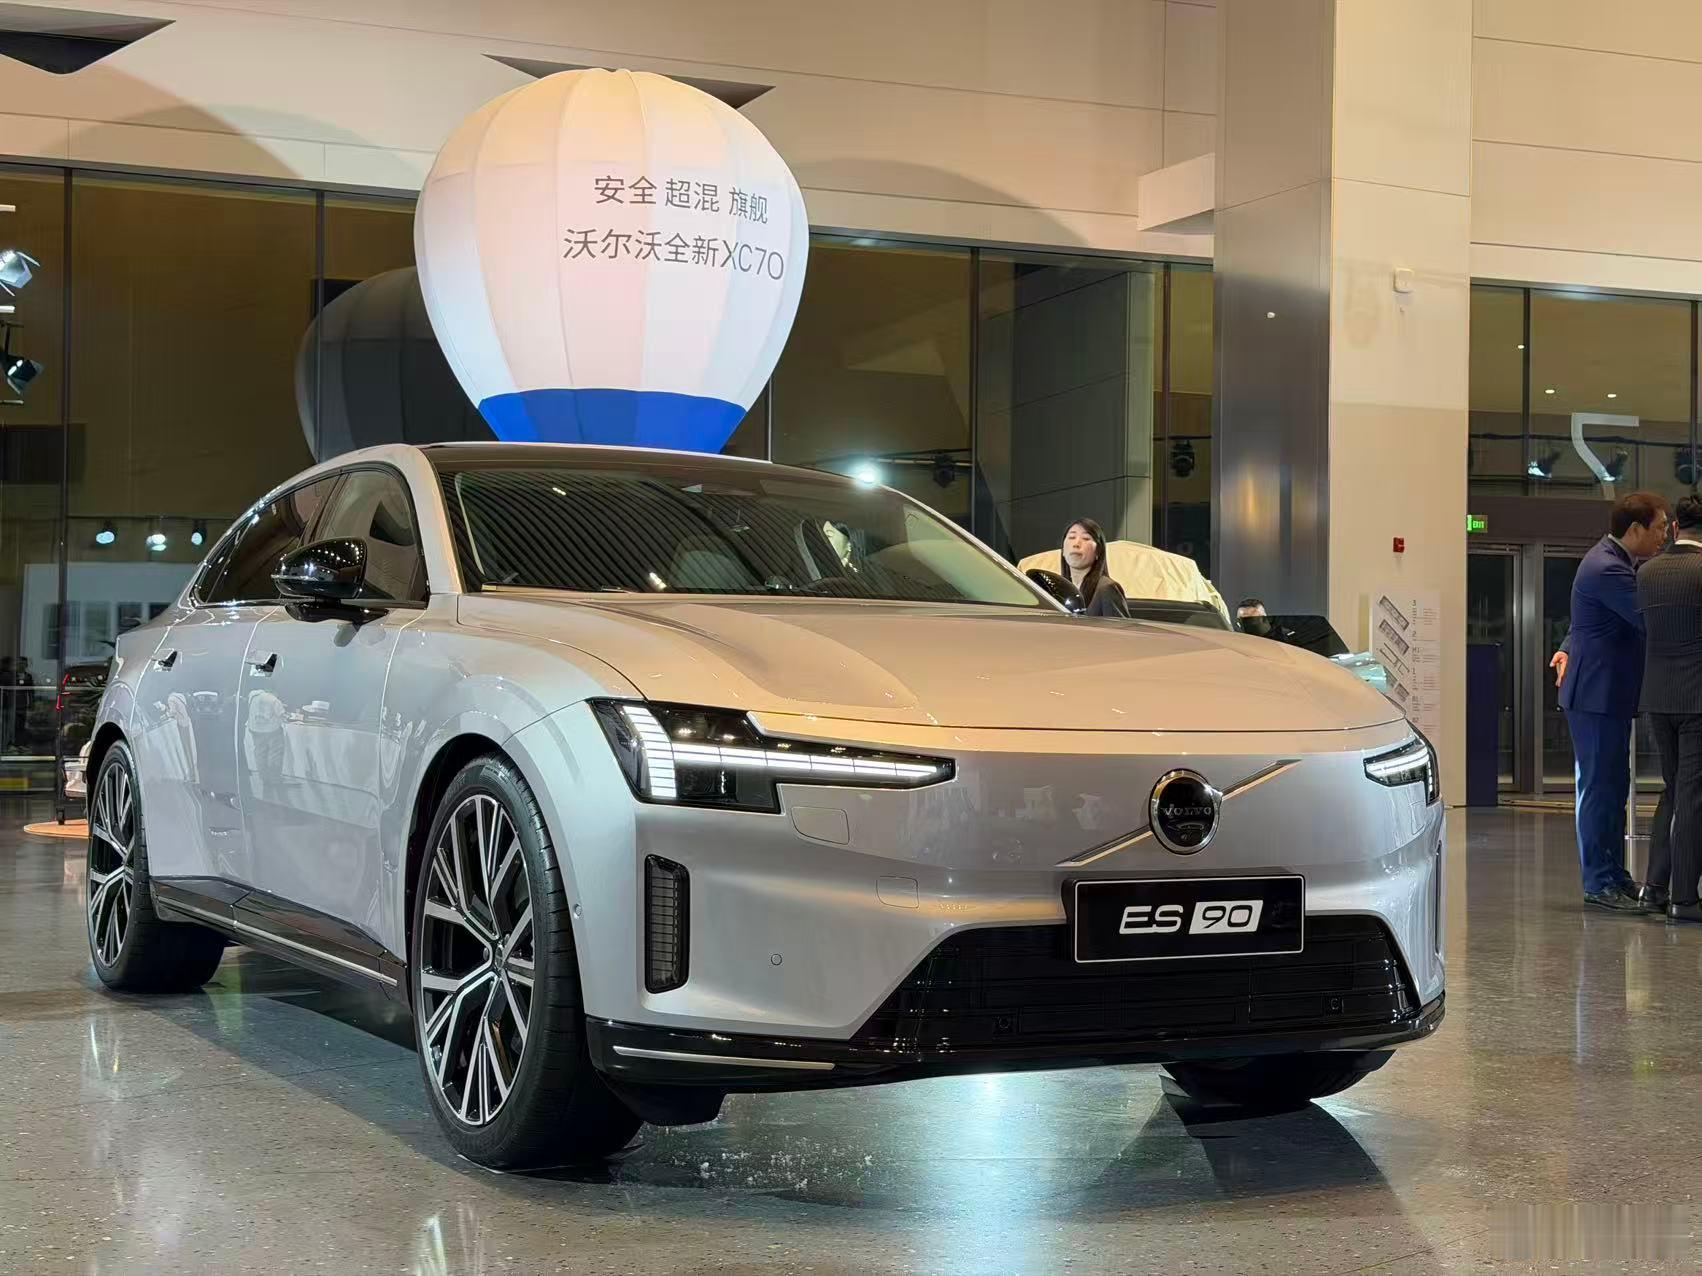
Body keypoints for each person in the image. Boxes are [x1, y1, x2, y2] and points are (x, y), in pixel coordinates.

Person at [1560, 490, 1670, 911]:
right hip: (1595, 696)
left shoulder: (1618, 562)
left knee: (1612, 788)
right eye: (1660, 527)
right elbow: (1650, 619)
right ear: (1636, 528)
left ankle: (1614, 876)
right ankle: (1599, 883)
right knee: (1599, 790)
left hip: (1608, 695)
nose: (1664, 535)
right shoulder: (1608, 568)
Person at [1636, 494, 1702, 923]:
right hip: (1698, 700)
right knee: (1693, 796)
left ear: (1676, 528)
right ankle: (1685, 899)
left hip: (1658, 698)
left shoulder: (1647, 572)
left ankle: (1654, 889)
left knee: (1674, 790)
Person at [1060, 518, 1128, 618]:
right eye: (1071, 537)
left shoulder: (1106, 588)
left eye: (1086, 538)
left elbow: (1120, 627)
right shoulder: (1058, 590)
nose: (1076, 544)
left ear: (1098, 551)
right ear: (1063, 551)